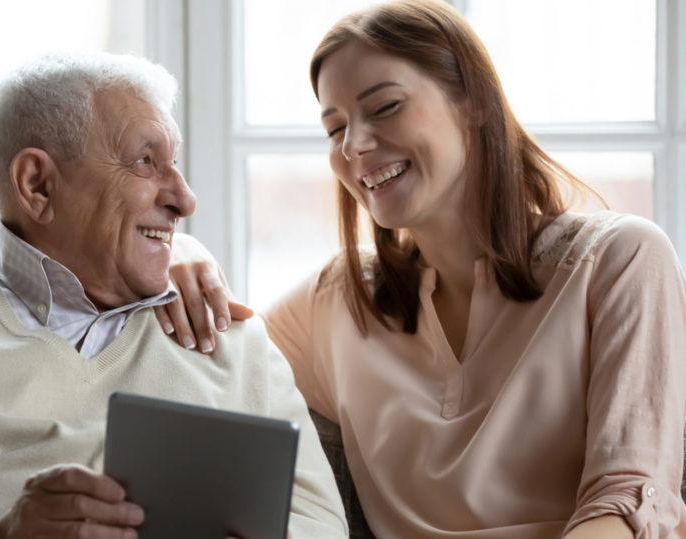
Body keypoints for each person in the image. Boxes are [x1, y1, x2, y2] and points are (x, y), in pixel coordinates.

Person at [156, 1, 686, 537]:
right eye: (334, 128)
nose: (354, 145)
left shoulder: (619, 260)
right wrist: (176, 251)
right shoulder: (339, 300)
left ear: (472, 101)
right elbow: (194, 375)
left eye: (384, 107)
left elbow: (629, 500)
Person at [0, 51, 348, 539]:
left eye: (175, 163)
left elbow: (320, 524)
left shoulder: (230, 336)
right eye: (146, 162)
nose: (184, 198)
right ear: (37, 184)